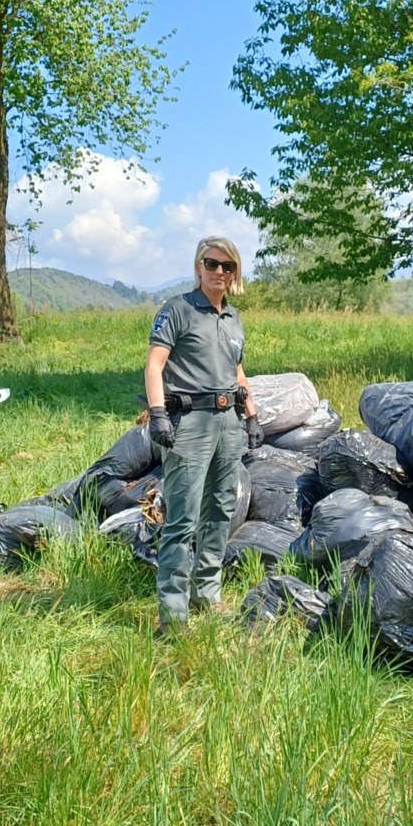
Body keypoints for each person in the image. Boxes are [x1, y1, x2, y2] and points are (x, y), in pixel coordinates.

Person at [144, 236, 264, 637]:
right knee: (182, 517)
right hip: (189, 424)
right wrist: (158, 414)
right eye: (212, 264)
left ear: (235, 274)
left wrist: (251, 417)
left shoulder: (233, 319)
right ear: (198, 267)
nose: (219, 272)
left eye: (227, 267)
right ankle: (173, 615)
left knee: (221, 509)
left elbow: (238, 372)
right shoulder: (177, 310)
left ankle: (206, 594)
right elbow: (154, 365)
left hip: (228, 420)